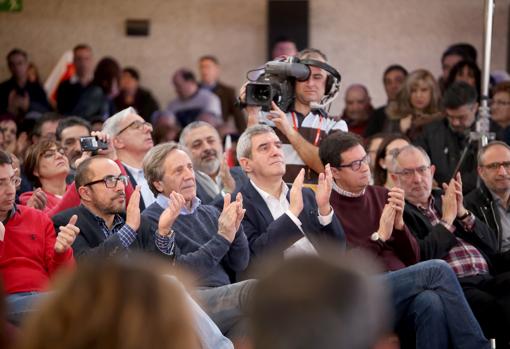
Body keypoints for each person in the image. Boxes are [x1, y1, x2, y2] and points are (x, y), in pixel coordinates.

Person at [318, 131, 489, 349]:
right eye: (355, 164)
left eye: (365, 160)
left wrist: (399, 228)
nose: (364, 167)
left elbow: (414, 256)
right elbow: (348, 270)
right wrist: (380, 235)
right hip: (360, 292)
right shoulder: (326, 206)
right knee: (438, 269)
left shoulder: (380, 194)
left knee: (430, 303)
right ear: (334, 172)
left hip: (398, 282)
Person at [392, 144, 510, 348]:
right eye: (407, 173)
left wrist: (463, 212)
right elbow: (422, 256)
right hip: (454, 284)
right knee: (489, 305)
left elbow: (492, 246)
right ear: (395, 177)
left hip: (487, 275)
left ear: (432, 171)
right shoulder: (398, 212)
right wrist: (447, 221)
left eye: (421, 170)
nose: (418, 179)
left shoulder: (444, 197)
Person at [140, 142, 254, 341]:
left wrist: (236, 228)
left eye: (189, 167)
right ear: (158, 184)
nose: (189, 175)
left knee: (250, 325)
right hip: (186, 302)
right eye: (178, 171)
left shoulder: (209, 211)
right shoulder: (151, 220)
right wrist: (222, 237)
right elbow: (180, 273)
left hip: (224, 297)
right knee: (255, 291)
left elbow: (240, 262)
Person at [16, 256, 233, 349]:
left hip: (145, 288)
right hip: (87, 295)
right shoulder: (75, 221)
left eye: (119, 179)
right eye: (108, 180)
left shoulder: (131, 218)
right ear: (84, 192)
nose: (119, 186)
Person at [234, 125, 345, 263]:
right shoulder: (237, 205)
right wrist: (292, 214)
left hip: (326, 274)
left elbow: (339, 249)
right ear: (246, 164)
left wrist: (324, 209)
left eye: (278, 146)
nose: (276, 152)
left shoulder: (306, 194)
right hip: (282, 282)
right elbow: (256, 255)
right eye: (264, 148)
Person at [244, 48, 347, 184]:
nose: (310, 83)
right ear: (293, 81)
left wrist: (288, 131)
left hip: (317, 202)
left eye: (317, 77)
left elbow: (329, 169)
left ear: (328, 84)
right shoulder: (266, 116)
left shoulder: (336, 124)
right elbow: (249, 163)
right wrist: (252, 115)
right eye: (303, 77)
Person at [0, 150, 79, 324]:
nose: (10, 190)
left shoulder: (37, 218)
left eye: (13, 181)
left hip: (47, 296)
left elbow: (65, 279)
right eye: (0, 183)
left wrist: (62, 252)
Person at [249, 253, 390, 349]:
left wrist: (325, 216)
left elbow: (337, 241)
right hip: (346, 284)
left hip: (337, 280)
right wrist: (379, 238)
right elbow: (252, 258)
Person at [51, 156, 152, 259]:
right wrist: (129, 229)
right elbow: (86, 266)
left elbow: (159, 265)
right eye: (110, 180)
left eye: (121, 179)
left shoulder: (133, 220)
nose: (121, 187)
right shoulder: (66, 223)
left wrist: (164, 233)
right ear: (86, 193)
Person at [415, 81, 479, 194]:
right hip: (438, 195)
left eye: (461, 117)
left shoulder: (489, 134)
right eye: (450, 117)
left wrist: (454, 189)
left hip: (473, 198)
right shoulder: (432, 131)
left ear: (475, 108)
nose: (455, 122)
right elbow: (417, 155)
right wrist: (426, 176)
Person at [465, 141, 510, 269]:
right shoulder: (468, 207)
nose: (502, 172)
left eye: (507, 164)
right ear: (481, 172)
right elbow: (487, 257)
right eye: (494, 166)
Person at [179, 121, 247, 204]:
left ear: (220, 143)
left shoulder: (243, 173)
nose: (207, 148)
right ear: (184, 152)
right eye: (197, 145)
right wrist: (226, 192)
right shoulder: (184, 186)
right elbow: (199, 215)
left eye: (211, 141)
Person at [103, 107, 155, 210]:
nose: (149, 129)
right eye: (137, 126)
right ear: (118, 141)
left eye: (146, 124)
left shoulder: (161, 170)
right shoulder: (111, 179)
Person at [385, 69, 442, 140]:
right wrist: (400, 130)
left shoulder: (441, 119)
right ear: (407, 93)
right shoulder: (396, 117)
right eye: (413, 91)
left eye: (424, 90)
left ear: (432, 92)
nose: (418, 95)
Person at [198, 55, 246, 134]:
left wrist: (242, 137)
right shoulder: (195, 91)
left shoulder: (227, 92)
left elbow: (239, 117)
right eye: (201, 67)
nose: (204, 70)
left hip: (219, 132)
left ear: (216, 69)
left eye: (208, 67)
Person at [19, 140, 70, 213]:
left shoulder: (82, 189)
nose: (59, 156)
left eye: (62, 152)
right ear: (35, 170)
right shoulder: (32, 198)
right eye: (49, 155)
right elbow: (51, 220)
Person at [0, 49, 51, 120]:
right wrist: (10, 110)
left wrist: (28, 106)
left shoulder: (37, 88)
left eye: (20, 63)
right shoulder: (3, 88)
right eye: (12, 64)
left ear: (26, 64)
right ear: (9, 67)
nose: (16, 67)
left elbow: (48, 113)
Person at [365, 65, 408, 137]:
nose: (393, 86)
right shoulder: (377, 115)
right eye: (388, 82)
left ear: (408, 83)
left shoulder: (416, 112)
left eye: (399, 81)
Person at [56, 44, 95, 117]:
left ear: (92, 60)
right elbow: (61, 113)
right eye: (79, 59)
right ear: (74, 61)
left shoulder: (99, 85)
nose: (83, 63)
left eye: (86, 58)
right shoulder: (64, 86)